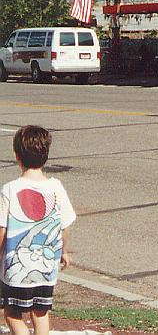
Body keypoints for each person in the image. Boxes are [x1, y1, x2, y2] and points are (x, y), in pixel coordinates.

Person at [0, 126, 75, 335]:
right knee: (40, 313)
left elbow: (2, 230)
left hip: (14, 270)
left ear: (17, 156)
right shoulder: (56, 187)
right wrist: (64, 251)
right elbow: (65, 224)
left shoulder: (9, 190)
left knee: (12, 314)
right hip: (46, 270)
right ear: (46, 156)